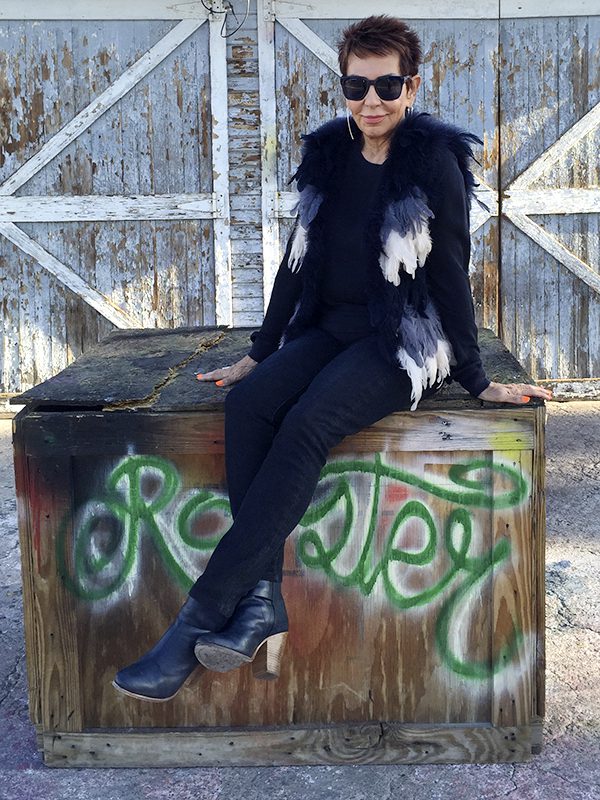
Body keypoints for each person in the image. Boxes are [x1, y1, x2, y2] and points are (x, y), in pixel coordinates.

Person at [113, 15, 552, 701]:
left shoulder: (430, 161)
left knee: (309, 422)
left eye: (386, 85)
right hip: (332, 325)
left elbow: (449, 275)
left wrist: (475, 378)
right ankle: (259, 604)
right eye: (356, 85)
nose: (371, 101)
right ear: (343, 84)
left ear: (411, 83)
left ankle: (197, 618)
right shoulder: (328, 154)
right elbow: (297, 263)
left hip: (401, 337)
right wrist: (260, 353)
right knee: (251, 403)